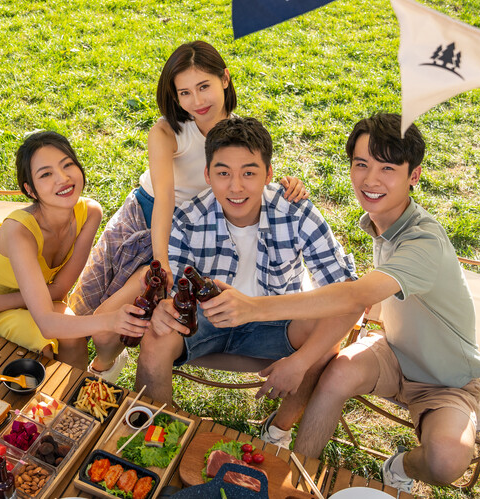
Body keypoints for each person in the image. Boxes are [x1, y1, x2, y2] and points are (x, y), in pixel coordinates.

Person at [209, 113, 480, 491]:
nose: (370, 180)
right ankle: (294, 480)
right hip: (393, 353)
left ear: (415, 175)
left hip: (447, 380)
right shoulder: (381, 220)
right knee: (336, 372)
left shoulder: (423, 242)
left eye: (387, 168)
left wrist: (255, 307)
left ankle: (400, 468)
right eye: (361, 165)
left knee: (445, 460)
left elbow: (356, 294)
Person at [68, 42, 306, 378]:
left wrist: (287, 184)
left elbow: (250, 180)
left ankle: (106, 367)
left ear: (225, 79)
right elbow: (164, 198)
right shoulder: (168, 131)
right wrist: (160, 262)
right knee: (91, 321)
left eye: (204, 86)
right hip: (145, 218)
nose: (197, 101)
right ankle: (103, 368)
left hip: (192, 234)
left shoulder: (240, 131)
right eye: (185, 93)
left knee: (121, 317)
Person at [134, 117, 357, 448]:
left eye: (249, 173)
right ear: (207, 175)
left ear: (268, 174)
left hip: (273, 321)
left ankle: (278, 430)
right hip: (205, 323)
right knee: (155, 337)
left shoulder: (295, 211)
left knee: (324, 340)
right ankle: (162, 435)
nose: (236, 187)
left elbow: (349, 296)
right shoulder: (186, 220)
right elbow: (171, 294)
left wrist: (300, 362)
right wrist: (164, 311)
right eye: (223, 173)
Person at [0, 131, 149, 371]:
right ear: (30, 190)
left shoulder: (90, 213)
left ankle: (72, 401)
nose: (62, 178)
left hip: (17, 302)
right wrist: (110, 320)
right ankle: (42, 402)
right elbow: (47, 324)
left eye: (67, 164)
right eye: (46, 174)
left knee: (72, 335)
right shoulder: (20, 232)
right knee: (46, 341)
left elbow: (59, 289)